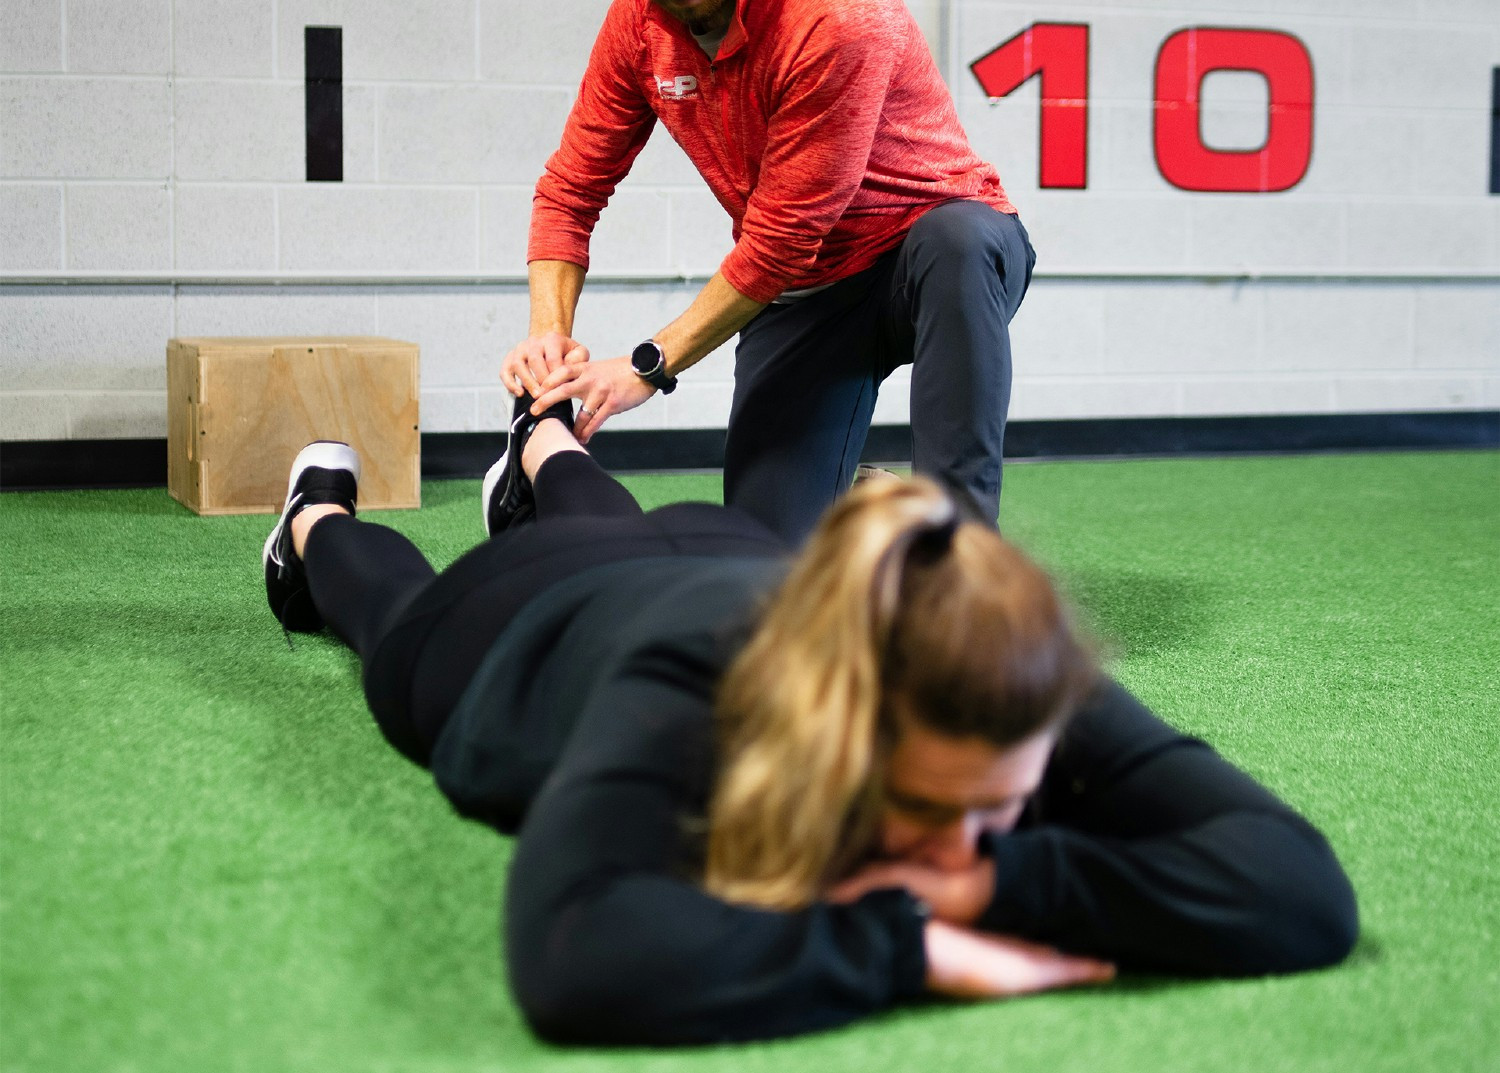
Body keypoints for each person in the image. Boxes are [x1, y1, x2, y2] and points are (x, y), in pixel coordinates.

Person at [261, 413, 1359, 1047]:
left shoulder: (1007, 667)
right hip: (514, 623)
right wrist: (903, 942)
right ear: (838, 713)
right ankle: (315, 516)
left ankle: (545, 440)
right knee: (388, 614)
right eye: (930, 807)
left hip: (719, 546)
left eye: (1002, 804)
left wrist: (985, 886)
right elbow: (573, 950)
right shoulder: (697, 687)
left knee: (620, 523)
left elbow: (1301, 888)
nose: (969, 840)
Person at [499, 0, 1036, 542]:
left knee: (959, 240)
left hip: (927, 257)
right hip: (810, 293)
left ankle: (962, 553)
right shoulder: (639, 27)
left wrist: (648, 364)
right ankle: (864, 501)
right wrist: (547, 332)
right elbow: (569, 190)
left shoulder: (835, 13)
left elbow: (783, 236)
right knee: (764, 553)